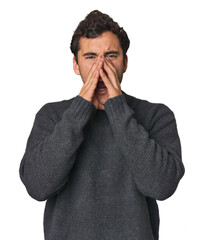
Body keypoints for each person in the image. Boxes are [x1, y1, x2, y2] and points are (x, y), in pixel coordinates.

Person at [19, 10, 185, 240]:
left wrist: (117, 108)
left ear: (125, 63)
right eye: (90, 57)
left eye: (111, 55)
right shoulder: (52, 115)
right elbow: (38, 187)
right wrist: (79, 111)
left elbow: (161, 187)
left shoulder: (156, 115)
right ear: (76, 65)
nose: (101, 67)